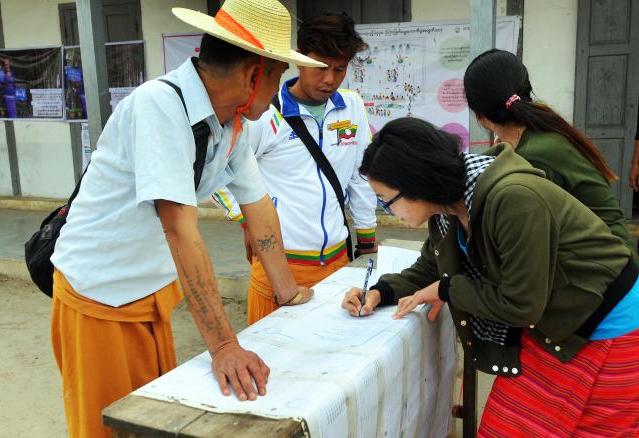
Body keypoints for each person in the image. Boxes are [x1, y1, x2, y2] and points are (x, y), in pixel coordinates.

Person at [49, 1, 326, 437]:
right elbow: (180, 229)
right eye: (276, 77)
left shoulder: (234, 123)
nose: (277, 91)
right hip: (99, 293)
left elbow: (259, 207)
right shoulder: (159, 106)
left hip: (148, 292)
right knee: (106, 428)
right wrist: (223, 345)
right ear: (255, 76)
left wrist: (288, 292)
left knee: (149, 422)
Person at [341, 118, 639, 436]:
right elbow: (431, 267)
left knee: (593, 428)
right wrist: (380, 292)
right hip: (556, 320)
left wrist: (447, 289)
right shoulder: (448, 208)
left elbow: (521, 304)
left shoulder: (513, 198)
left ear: (416, 186)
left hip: (604, 322)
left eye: (386, 200)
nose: (386, 210)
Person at [213, 12, 378, 324]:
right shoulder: (264, 114)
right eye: (320, 68)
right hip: (280, 266)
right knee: (275, 366)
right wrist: (246, 220)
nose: (329, 78)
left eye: (339, 69)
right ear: (299, 58)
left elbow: (360, 175)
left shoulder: (352, 107)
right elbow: (219, 176)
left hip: (339, 264)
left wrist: (367, 238)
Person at [463, 49, 636, 258]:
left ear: (478, 115)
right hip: (612, 255)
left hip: (607, 268)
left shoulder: (530, 157)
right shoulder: (539, 130)